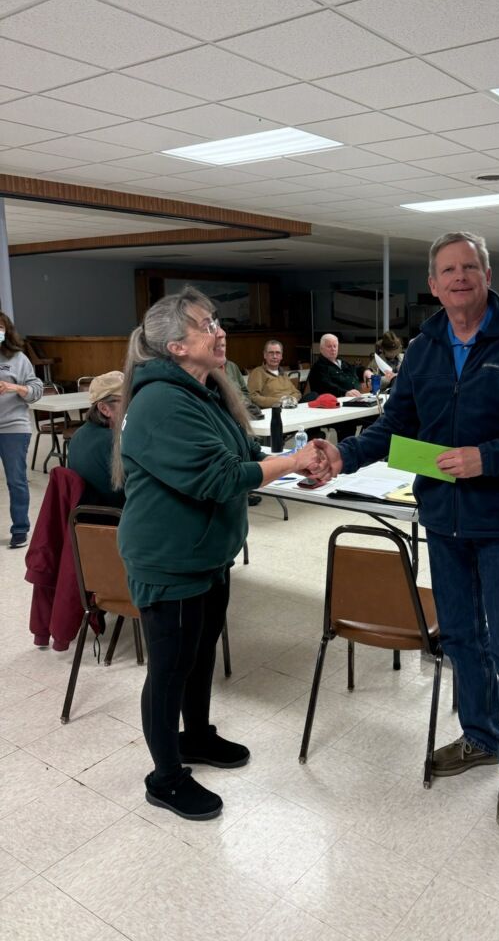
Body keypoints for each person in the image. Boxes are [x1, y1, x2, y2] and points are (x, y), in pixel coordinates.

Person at [312, 232, 499, 831]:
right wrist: (344, 455)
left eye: (469, 267)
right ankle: (481, 736)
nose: (459, 277)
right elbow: (398, 425)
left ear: (487, 275)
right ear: (433, 285)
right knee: (460, 638)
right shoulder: (424, 346)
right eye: (447, 270)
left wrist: (491, 457)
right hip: (444, 519)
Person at [112, 287, 320, 822]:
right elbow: (220, 477)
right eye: (206, 325)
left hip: (207, 553)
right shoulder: (161, 401)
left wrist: (294, 463)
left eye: (216, 321)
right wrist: (294, 461)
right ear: (176, 346)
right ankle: (165, 778)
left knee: (200, 653)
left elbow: (245, 453)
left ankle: (197, 736)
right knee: (170, 669)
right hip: (170, 559)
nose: (220, 331)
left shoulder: (204, 391)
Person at [0, 311, 43, 549]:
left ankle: (20, 529)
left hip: (13, 427)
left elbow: (36, 390)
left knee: (16, 480)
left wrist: (14, 387)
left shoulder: (18, 358)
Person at [67, 370, 125, 507]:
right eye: (128, 401)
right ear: (104, 409)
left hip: (86, 514)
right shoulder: (112, 441)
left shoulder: (79, 434)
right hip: (113, 515)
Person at [309, 333, 372, 441]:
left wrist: (366, 371)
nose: (333, 349)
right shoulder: (318, 368)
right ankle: (346, 449)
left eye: (335, 346)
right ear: (321, 349)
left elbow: (355, 368)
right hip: (336, 408)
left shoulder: (341, 362)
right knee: (350, 423)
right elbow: (325, 386)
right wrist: (345, 392)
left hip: (355, 403)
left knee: (378, 416)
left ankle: (367, 446)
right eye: (329, 346)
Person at [247, 340, 302, 409]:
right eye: (271, 353)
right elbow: (253, 396)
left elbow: (297, 393)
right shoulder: (258, 373)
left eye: (278, 353)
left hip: (290, 408)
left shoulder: (283, 373)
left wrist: (291, 400)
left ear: (281, 356)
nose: (275, 356)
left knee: (312, 396)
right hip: (273, 410)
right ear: (265, 355)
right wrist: (280, 402)